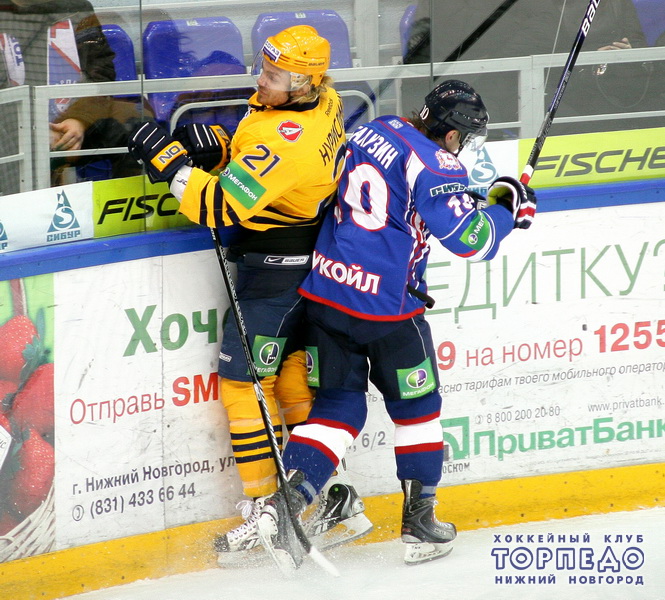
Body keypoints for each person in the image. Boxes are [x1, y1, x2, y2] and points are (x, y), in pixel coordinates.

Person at [251, 80, 537, 573]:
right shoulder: (438, 164)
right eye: (466, 139)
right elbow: (471, 240)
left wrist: (482, 200)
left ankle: (287, 504)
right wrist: (509, 213)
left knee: (338, 407)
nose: (465, 149)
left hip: (328, 294)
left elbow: (401, 200)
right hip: (388, 313)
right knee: (418, 410)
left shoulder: (376, 129)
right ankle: (420, 526)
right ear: (451, 135)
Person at [127, 25, 372, 564]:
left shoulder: (291, 141)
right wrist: (220, 147)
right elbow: (260, 154)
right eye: (263, 68)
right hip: (307, 267)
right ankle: (335, 498)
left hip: (274, 278)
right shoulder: (327, 101)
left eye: (273, 75)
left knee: (243, 385)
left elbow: (219, 206)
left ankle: (267, 513)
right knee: (290, 377)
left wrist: (172, 167)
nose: (260, 80)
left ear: (303, 83)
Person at [403, 0, 652, 135]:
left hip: (605, 85)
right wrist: (588, 58)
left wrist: (627, 49)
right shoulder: (535, 12)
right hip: (512, 87)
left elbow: (638, 40)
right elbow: (524, 53)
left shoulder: (614, 4)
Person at [0, 0, 147, 193]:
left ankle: (132, 206)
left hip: (73, 122)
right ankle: (16, 207)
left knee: (139, 127)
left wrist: (78, 120)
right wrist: (35, 130)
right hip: (13, 129)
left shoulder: (76, 8)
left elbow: (101, 74)